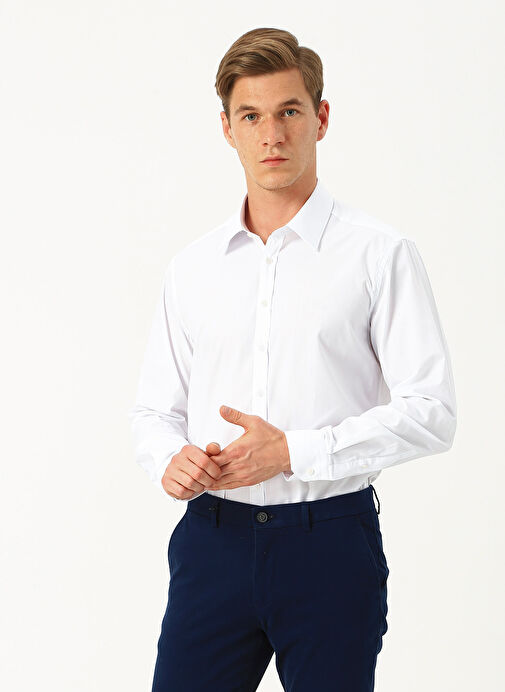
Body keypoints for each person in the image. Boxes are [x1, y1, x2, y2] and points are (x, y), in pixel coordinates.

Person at [128, 27, 457, 692]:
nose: (271, 135)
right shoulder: (192, 269)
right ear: (227, 128)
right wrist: (169, 459)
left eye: (288, 111)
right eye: (251, 116)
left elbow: (432, 412)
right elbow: (154, 411)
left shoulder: (379, 254)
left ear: (321, 118)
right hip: (211, 542)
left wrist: (292, 453)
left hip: (328, 544)